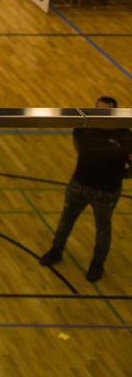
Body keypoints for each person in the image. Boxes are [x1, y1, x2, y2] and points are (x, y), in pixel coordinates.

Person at [39, 96, 132, 282]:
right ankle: (56, 251)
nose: (99, 115)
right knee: (65, 221)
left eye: (104, 112)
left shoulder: (126, 137)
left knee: (103, 230)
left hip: (106, 192)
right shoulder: (83, 127)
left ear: (114, 114)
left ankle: (97, 265)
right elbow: (78, 145)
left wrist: (117, 175)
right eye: (97, 110)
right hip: (78, 185)